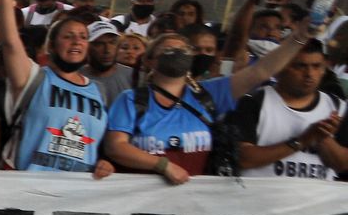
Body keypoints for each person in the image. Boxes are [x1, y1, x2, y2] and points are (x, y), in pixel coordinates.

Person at [104, 26, 307, 184]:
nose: (176, 53)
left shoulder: (210, 94)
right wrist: (163, 165)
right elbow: (115, 146)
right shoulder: (131, 99)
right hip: (143, 204)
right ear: (149, 61)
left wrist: (301, 36)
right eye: (168, 50)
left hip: (197, 204)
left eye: (183, 50)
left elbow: (261, 71)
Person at [0, 0, 112, 177]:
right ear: (52, 46)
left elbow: (96, 145)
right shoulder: (33, 78)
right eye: (68, 36)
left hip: (76, 191)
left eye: (83, 37)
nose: (77, 42)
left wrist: (105, 163)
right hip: (26, 186)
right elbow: (11, 43)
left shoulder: (99, 91)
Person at [232, 39, 347, 183]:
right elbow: (243, 158)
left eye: (316, 66)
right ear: (281, 67)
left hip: (319, 198)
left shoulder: (337, 107)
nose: (309, 74)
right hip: (262, 196)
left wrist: (323, 138)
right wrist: (301, 141)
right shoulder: (254, 102)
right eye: (300, 66)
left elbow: (343, 165)